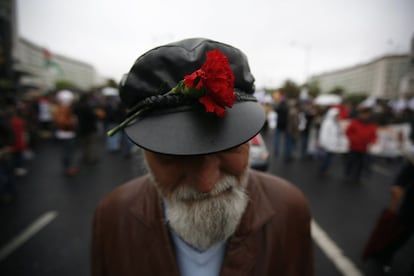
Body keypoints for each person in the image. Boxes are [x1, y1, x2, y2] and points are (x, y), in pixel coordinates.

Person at [91, 38, 313, 276]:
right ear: (143, 153)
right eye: (171, 153)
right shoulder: (112, 216)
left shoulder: (291, 209)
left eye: (230, 146)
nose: (206, 184)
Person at [345, 106, 377, 183]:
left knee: (361, 163)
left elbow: (374, 135)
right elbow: (348, 132)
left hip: (364, 148)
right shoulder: (355, 122)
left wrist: (372, 142)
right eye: (363, 114)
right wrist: (354, 139)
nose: (364, 116)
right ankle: (348, 173)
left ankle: (357, 177)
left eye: (366, 114)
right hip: (354, 146)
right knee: (351, 161)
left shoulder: (372, 124)